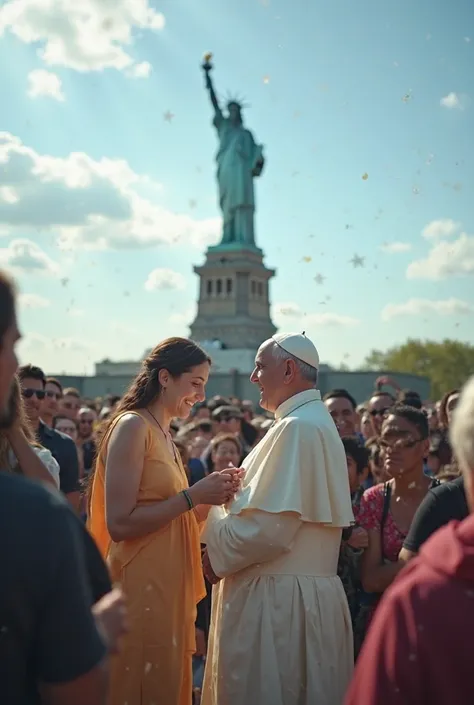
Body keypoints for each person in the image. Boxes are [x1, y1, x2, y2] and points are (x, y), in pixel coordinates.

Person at [201, 332, 354, 705]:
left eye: (259, 367)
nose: (253, 377)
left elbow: (268, 532)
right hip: (294, 598)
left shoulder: (297, 428)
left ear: (288, 370)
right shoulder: (306, 422)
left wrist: (209, 531)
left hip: (279, 608)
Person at [88, 337, 243, 705]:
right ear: (164, 378)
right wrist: (194, 495)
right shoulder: (132, 427)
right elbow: (121, 524)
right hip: (138, 587)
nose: (201, 395)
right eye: (195, 383)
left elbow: (177, 518)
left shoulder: (167, 437)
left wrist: (215, 494)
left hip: (168, 586)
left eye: (204, 385)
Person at [0, 270, 126, 705]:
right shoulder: (32, 514)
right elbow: (76, 690)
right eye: (12, 345)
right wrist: (97, 633)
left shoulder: (43, 474)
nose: (16, 367)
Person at [345, 376, 474, 705]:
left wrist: (411, 563)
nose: (392, 449)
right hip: (390, 622)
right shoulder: (374, 500)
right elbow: (371, 578)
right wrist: (428, 561)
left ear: (425, 445)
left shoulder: (444, 499)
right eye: (386, 440)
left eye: (403, 439)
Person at [18, 364, 81, 510]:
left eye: (40, 394)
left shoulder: (64, 444)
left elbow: (71, 500)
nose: (33, 399)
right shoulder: (4, 440)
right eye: (26, 393)